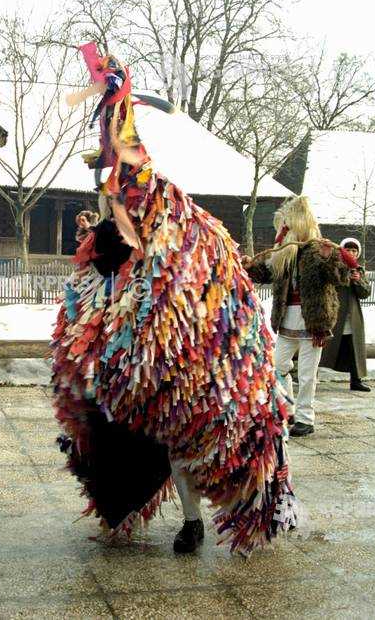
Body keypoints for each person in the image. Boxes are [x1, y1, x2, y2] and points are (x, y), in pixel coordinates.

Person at [51, 43, 297, 557]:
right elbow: (101, 281)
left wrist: (114, 101)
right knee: (132, 432)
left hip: (190, 363)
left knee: (183, 438)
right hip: (132, 360)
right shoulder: (111, 231)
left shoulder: (182, 231)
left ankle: (194, 521)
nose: (110, 188)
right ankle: (134, 493)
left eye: (115, 176)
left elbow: (192, 296)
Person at [242, 195, 355, 438]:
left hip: (314, 323)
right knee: (277, 367)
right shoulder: (285, 254)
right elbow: (266, 273)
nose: (282, 232)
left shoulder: (319, 250)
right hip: (286, 321)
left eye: (287, 226)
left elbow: (342, 277)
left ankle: (305, 418)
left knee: (306, 374)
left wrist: (333, 258)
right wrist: (250, 266)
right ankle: (288, 408)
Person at [319, 237, 372, 392]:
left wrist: (358, 281)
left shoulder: (359, 270)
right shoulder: (335, 267)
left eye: (354, 250)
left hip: (353, 315)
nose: (351, 253)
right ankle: (312, 375)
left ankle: (356, 380)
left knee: (354, 347)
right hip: (336, 313)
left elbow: (365, 293)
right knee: (325, 345)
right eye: (348, 250)